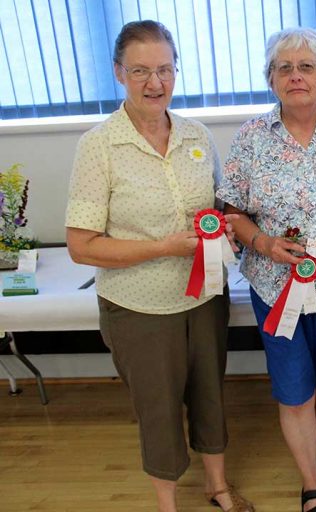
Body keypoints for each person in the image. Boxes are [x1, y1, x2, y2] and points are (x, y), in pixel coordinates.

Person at [65, 20, 252, 512]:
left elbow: (215, 207)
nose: (155, 83)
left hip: (204, 298)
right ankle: (167, 503)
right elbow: (81, 246)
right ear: (118, 74)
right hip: (138, 306)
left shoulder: (196, 134)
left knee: (211, 395)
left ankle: (217, 487)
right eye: (141, 71)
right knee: (158, 410)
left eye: (165, 69)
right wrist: (163, 247)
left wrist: (227, 227)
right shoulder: (99, 146)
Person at [216, 28, 316, 512]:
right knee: (294, 393)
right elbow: (232, 212)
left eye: (307, 66)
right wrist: (262, 242)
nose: (296, 76)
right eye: (284, 68)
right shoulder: (249, 138)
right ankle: (310, 484)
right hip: (274, 286)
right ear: (271, 80)